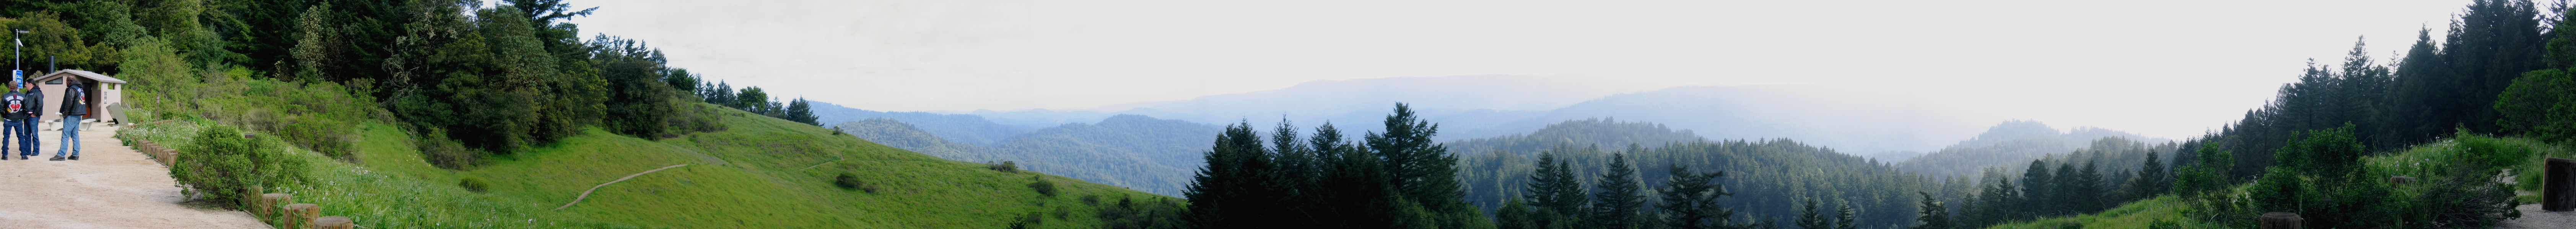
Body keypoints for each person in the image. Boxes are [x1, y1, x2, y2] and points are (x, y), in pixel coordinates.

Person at [50, 78, 80, 161]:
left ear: (68, 81)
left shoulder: (72, 89)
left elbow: (69, 102)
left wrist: (65, 114)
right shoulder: (80, 89)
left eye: (66, 82)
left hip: (71, 115)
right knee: (75, 135)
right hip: (78, 115)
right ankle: (76, 154)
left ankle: (61, 154)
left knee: (65, 136)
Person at [0, 84, 24, 160]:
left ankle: (5, 155)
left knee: (6, 137)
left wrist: (4, 115)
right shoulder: (23, 96)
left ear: (9, 87)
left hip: (8, 119)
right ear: (17, 87)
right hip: (19, 119)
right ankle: (24, 155)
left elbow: (1, 109)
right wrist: (22, 116)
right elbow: (26, 108)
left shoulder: (5, 96)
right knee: (21, 137)